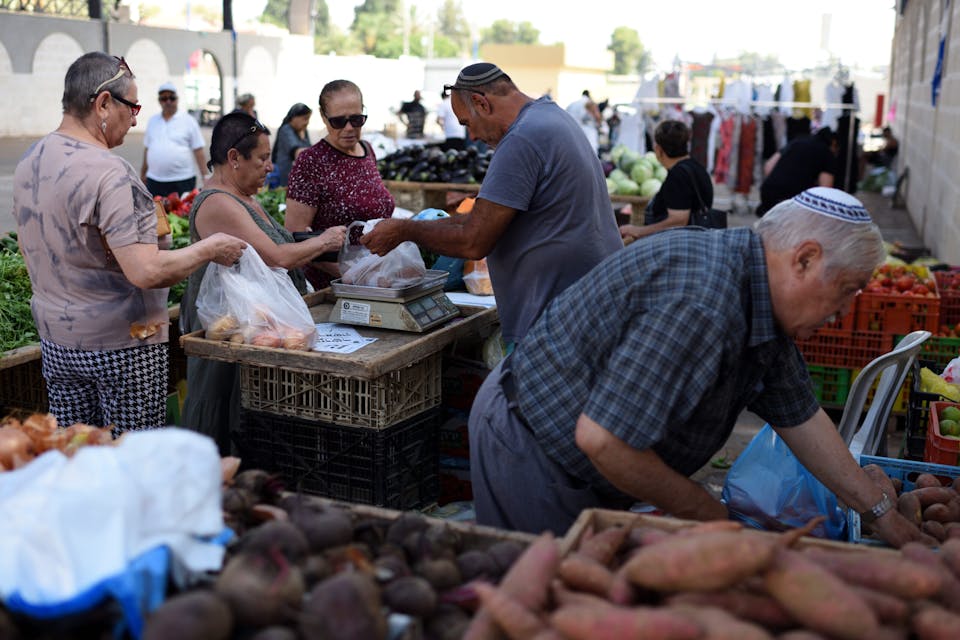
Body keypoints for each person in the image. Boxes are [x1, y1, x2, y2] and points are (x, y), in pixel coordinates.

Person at [467, 187, 925, 548]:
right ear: (804, 260)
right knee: (539, 609)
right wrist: (710, 516)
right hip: (531, 448)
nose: (844, 311)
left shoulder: (761, 299)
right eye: (846, 289)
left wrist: (881, 512)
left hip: (586, 467)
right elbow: (603, 439)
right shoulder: (705, 299)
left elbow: (802, 417)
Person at [12, 52, 246, 435]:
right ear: (103, 102)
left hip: (58, 345)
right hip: (122, 348)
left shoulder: (30, 161)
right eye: (132, 106)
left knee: (78, 457)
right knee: (132, 464)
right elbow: (146, 270)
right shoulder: (110, 173)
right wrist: (210, 247)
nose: (137, 117)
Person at [361, 63, 622, 347]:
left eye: (467, 124)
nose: (471, 137)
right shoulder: (551, 117)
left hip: (558, 320)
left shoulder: (522, 139)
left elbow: (474, 241)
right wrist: (409, 226)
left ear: (481, 103)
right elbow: (478, 218)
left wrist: (404, 231)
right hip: (586, 304)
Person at [180, 112, 346, 454]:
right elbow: (277, 256)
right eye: (263, 158)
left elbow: (281, 244)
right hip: (229, 328)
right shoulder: (217, 203)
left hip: (253, 326)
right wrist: (327, 240)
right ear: (233, 158)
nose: (270, 167)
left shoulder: (244, 196)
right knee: (223, 415)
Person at [284, 80, 394, 290]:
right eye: (338, 121)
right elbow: (296, 239)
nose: (349, 128)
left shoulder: (367, 150)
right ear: (324, 117)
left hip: (378, 280)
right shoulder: (311, 162)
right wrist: (354, 275)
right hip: (334, 288)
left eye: (356, 119)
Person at [619, 119, 713, 242]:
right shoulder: (697, 168)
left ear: (658, 149)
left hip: (680, 248)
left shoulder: (678, 177)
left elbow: (678, 221)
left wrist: (638, 231)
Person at [141, 81, 208, 198]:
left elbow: (198, 150)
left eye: (171, 98)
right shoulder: (153, 121)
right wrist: (143, 173)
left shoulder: (188, 121)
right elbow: (147, 148)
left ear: (177, 99)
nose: (168, 101)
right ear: (159, 101)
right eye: (164, 98)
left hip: (182, 180)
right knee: (157, 215)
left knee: (181, 215)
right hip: (154, 180)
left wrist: (205, 177)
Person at [756, 127, 838, 217]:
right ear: (833, 143)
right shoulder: (826, 152)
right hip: (794, 200)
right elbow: (825, 188)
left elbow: (768, 167)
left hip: (769, 190)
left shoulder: (796, 141)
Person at [269, 102, 313, 188]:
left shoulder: (303, 131)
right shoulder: (286, 130)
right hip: (284, 178)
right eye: (305, 119)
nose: (307, 122)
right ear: (294, 118)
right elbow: (297, 152)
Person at [565, 89, 602, 155]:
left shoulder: (572, 104)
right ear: (588, 95)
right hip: (588, 130)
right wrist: (599, 125)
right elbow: (597, 116)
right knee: (592, 153)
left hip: (572, 130)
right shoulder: (589, 103)